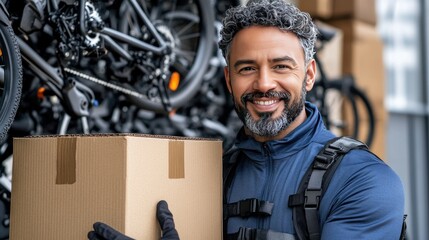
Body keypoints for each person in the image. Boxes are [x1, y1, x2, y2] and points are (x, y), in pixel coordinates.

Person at [88, 0, 405, 239]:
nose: (264, 84)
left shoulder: (364, 180)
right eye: (247, 68)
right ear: (229, 80)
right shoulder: (212, 176)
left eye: (281, 67)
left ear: (309, 76)